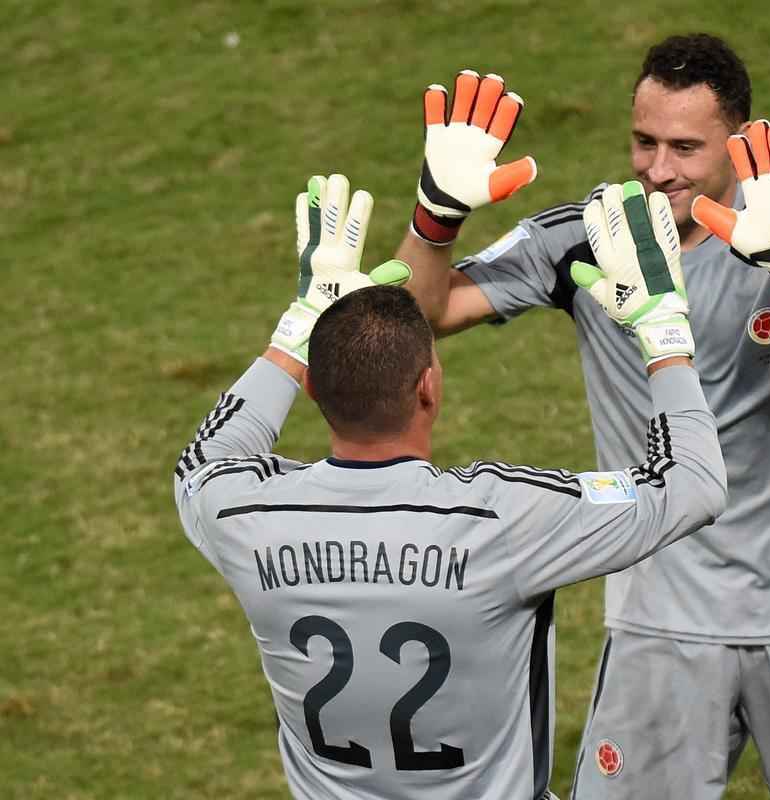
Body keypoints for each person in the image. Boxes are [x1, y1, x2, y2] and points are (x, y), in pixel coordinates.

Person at [393, 35, 770, 800]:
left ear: (740, 144)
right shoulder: (585, 234)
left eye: (684, 146)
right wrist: (435, 217)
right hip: (659, 621)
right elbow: (418, 316)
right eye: (643, 141)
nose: (658, 168)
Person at [172, 170, 727, 800]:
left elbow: (203, 458)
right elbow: (692, 485)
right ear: (429, 389)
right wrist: (664, 335)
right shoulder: (502, 519)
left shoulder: (243, 515)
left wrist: (297, 330)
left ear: (313, 390)